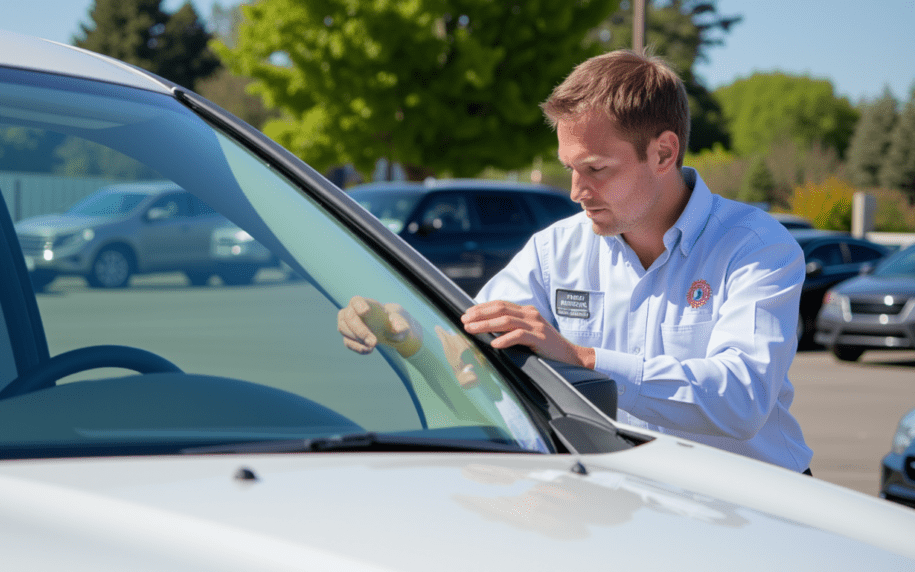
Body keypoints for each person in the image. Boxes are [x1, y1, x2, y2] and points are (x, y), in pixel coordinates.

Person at [340, 50, 812, 473]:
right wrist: (407, 329)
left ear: (664, 152)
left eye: (596, 169)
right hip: (624, 504)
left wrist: (582, 359)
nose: (576, 192)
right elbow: (475, 347)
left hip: (754, 512)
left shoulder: (755, 247)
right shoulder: (556, 250)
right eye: (571, 168)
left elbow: (742, 399)